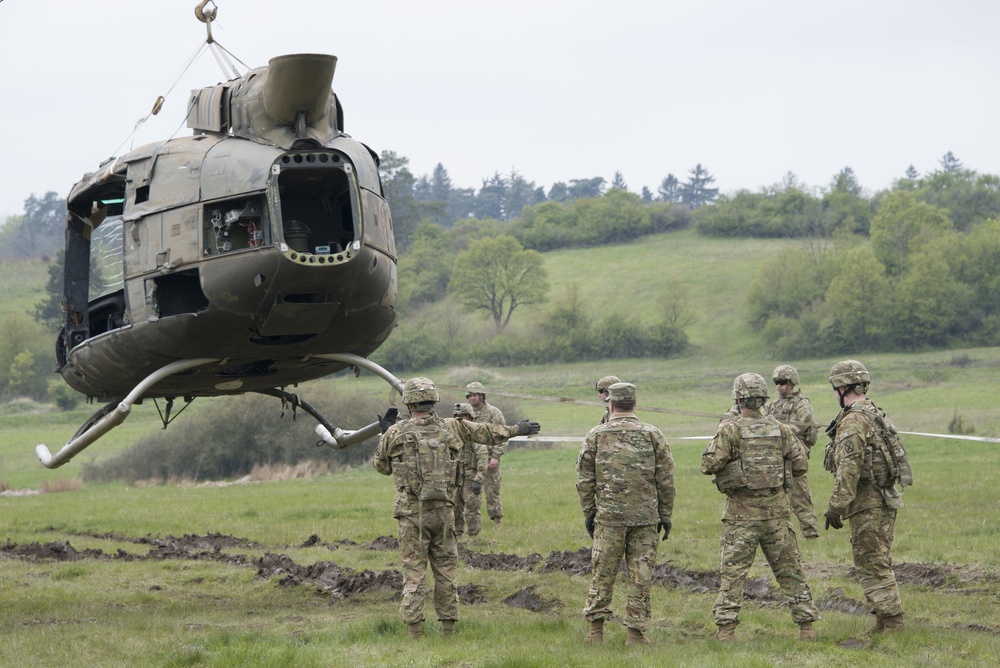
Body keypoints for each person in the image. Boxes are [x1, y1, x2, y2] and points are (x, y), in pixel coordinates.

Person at [373, 377, 540, 638]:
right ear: (434, 399)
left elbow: (382, 467)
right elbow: (485, 431)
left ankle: (414, 631)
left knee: (414, 574)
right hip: (444, 512)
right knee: (445, 571)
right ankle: (448, 630)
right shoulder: (451, 426)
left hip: (411, 515)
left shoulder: (397, 432)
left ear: (408, 402)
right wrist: (517, 429)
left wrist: (385, 432)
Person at [701, 372, 820, 642]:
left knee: (733, 573)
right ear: (764, 398)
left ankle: (726, 630)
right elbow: (801, 464)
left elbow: (708, 465)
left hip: (741, 516)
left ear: (739, 399)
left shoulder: (730, 428)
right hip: (776, 514)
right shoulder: (781, 428)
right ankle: (806, 628)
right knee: (790, 571)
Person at [577, 382, 675, 646]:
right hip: (644, 519)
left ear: (610, 404)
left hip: (609, 519)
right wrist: (665, 515)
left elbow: (585, 479)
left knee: (603, 574)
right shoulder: (653, 434)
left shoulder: (595, 435)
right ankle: (635, 633)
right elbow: (665, 479)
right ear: (634, 403)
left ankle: (595, 631)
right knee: (641, 576)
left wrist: (589, 513)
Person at [823, 360, 909, 633]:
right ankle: (882, 621)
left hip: (867, 501)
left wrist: (835, 507)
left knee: (872, 565)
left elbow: (848, 469)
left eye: (835, 387)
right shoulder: (874, 412)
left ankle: (895, 625)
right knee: (876, 561)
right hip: (882, 499)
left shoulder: (853, 421)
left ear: (843, 387)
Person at [764, 365, 821, 538]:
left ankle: (810, 532)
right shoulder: (771, 405)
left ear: (792, 382)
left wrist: (777, 428)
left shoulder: (802, 404)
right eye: (776, 382)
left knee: (800, 496)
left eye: (782, 382)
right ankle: (775, 532)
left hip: (795, 457)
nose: (779, 386)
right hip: (775, 457)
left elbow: (801, 426)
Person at [465, 381, 508, 528]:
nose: (472, 398)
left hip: (490, 460)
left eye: (475, 395)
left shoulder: (493, 413)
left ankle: (497, 522)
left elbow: (503, 435)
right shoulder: (466, 413)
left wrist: (496, 456)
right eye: (470, 395)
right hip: (471, 461)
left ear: (482, 396)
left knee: (492, 492)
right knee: (469, 494)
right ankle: (472, 526)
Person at [451, 402, 488, 538]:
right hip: (455, 477)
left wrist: (478, 478)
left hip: (470, 476)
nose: (460, 419)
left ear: (470, 417)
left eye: (463, 416)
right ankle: (457, 535)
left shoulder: (475, 435)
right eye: (457, 416)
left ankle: (473, 536)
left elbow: (482, 457)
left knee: (472, 507)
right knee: (454, 507)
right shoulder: (451, 435)